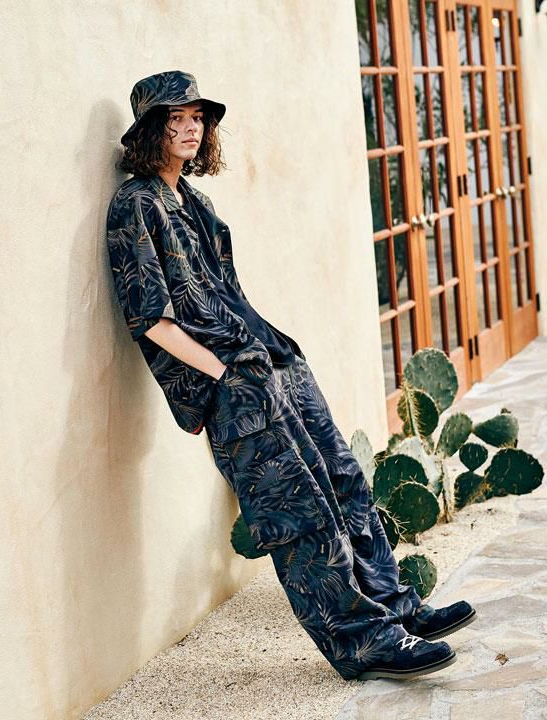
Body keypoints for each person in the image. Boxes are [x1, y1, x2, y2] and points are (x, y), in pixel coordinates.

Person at [105, 70, 476, 681]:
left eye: (197, 118)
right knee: (299, 513)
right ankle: (363, 643)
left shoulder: (195, 202)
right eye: (176, 119)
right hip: (235, 384)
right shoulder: (135, 205)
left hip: (273, 361)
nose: (191, 129)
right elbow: (151, 319)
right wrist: (222, 375)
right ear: (150, 130)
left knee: (344, 481)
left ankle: (396, 608)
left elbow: (226, 296)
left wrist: (269, 358)